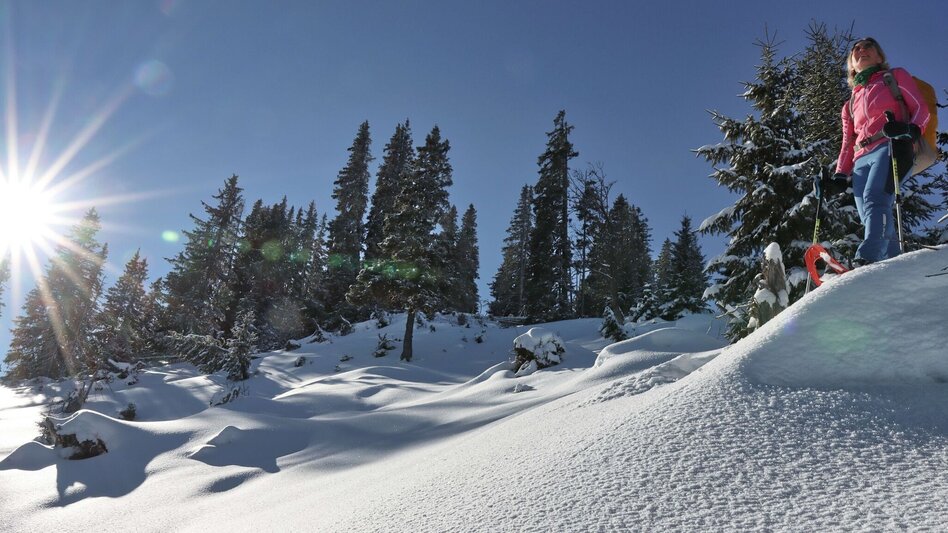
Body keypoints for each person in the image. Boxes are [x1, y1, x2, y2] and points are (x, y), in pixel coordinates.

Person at [828, 37, 930, 266]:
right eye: (856, 49)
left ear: (879, 56)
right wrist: (840, 174)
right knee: (870, 214)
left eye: (868, 47)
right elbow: (847, 142)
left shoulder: (894, 77)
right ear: (851, 64)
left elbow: (921, 109)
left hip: (892, 146)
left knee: (876, 199)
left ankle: (866, 259)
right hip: (861, 159)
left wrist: (910, 129)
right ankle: (892, 265)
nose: (861, 50)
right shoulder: (850, 102)